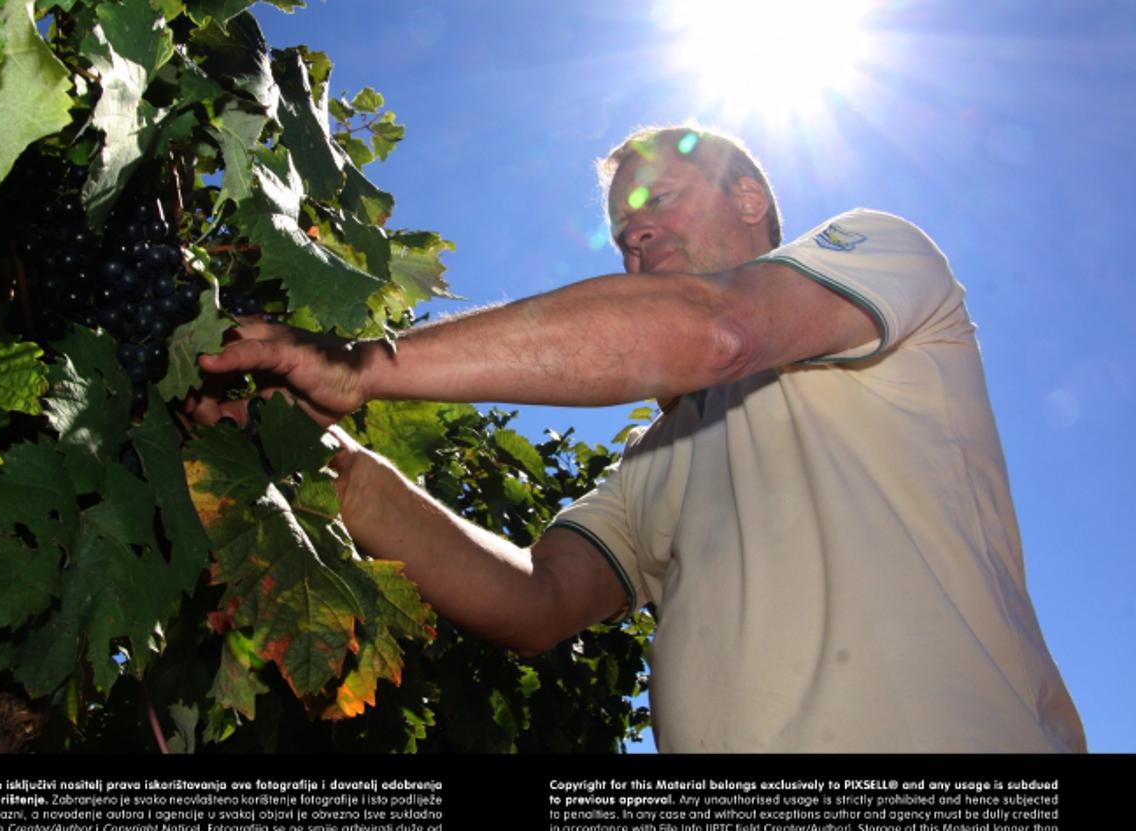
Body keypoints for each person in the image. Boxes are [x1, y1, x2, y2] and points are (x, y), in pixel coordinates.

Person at [188, 125, 1085, 753]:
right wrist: (316, 455)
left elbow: (717, 328)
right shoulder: (654, 460)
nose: (634, 233)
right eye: (621, 231)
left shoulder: (879, 258)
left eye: (657, 200)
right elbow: (535, 602)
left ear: (750, 197)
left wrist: (366, 365)